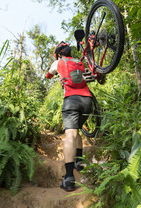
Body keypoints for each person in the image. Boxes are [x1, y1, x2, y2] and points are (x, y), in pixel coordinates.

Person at [45, 41, 93, 192]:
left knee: (70, 134)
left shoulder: (58, 62)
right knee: (77, 130)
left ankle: (69, 177)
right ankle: (79, 161)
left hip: (71, 100)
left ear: (59, 53)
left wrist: (53, 73)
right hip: (87, 101)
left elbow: (48, 76)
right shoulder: (79, 62)